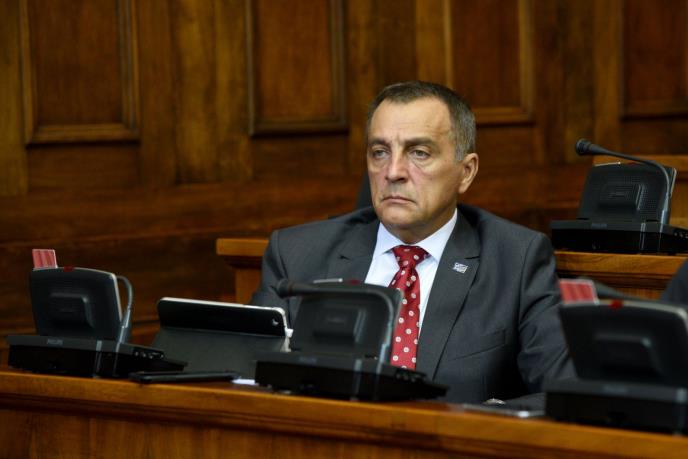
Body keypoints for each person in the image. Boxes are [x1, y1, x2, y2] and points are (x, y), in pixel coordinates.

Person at [251, 81, 573, 403]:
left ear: (466, 172)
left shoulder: (516, 260)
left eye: (419, 153)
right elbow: (251, 379)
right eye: (380, 152)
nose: (393, 172)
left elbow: (562, 393)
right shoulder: (296, 255)